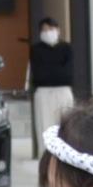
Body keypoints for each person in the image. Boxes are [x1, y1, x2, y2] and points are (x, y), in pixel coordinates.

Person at [26, 14, 75, 160]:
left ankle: (66, 160)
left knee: (65, 127)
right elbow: (39, 74)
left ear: (58, 30)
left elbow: (67, 74)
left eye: (51, 28)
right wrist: (55, 72)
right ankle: (46, 160)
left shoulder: (66, 48)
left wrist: (51, 72)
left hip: (63, 91)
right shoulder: (36, 49)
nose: (48, 32)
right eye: (44, 29)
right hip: (43, 93)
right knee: (45, 128)